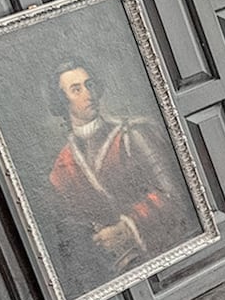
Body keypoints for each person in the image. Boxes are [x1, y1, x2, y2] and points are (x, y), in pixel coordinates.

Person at [46, 59, 190, 276]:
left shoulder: (132, 134)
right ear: (61, 101)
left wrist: (128, 227)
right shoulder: (62, 168)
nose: (88, 94)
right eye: (76, 89)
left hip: (165, 252)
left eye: (90, 85)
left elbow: (175, 194)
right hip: (115, 271)